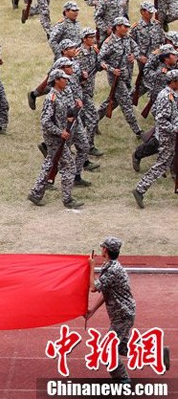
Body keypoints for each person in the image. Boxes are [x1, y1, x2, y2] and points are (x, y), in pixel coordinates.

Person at [27, 69, 83, 208]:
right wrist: (59, 132)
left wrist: (76, 108)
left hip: (60, 135)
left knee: (50, 164)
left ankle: (36, 193)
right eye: (63, 78)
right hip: (54, 138)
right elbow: (45, 121)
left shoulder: (62, 94)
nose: (66, 80)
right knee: (69, 166)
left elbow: (66, 114)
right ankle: (67, 199)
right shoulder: (51, 98)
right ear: (56, 80)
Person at [84, 237, 136, 383]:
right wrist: (93, 310)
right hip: (123, 313)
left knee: (106, 348)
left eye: (102, 247)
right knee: (122, 347)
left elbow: (94, 287)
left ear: (105, 250)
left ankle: (123, 380)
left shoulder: (113, 270)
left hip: (123, 315)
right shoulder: (110, 266)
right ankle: (156, 352)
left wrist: (91, 266)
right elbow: (107, 292)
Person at [132, 69, 177, 207]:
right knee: (162, 165)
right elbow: (161, 119)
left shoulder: (173, 95)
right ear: (174, 82)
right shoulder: (165, 96)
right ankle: (140, 189)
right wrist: (175, 129)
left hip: (172, 136)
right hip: (168, 137)